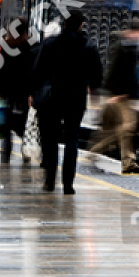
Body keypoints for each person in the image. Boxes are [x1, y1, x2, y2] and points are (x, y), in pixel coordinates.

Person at [31, 12, 102, 195]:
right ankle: (68, 184)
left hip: (51, 98)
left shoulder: (50, 44)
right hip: (75, 99)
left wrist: (33, 93)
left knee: (50, 139)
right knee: (72, 139)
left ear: (64, 24)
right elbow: (96, 76)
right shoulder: (88, 46)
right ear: (81, 26)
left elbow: (37, 71)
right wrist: (92, 90)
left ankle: (49, 180)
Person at [90, 19, 139, 174]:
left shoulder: (130, 46)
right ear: (137, 32)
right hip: (119, 96)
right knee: (128, 127)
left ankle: (97, 152)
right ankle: (127, 163)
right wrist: (115, 93)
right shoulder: (124, 47)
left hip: (122, 95)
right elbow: (114, 71)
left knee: (120, 129)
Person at [0, 19, 34, 164]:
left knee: (7, 127)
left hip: (8, 91)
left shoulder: (5, 47)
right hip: (24, 92)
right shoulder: (32, 46)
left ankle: (6, 155)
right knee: (25, 125)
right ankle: (26, 155)